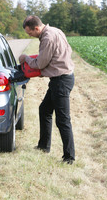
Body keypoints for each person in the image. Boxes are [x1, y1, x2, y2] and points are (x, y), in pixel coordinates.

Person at [19, 16, 75, 164]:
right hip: (61, 78)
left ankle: (69, 157)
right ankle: (43, 146)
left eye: (30, 33)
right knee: (44, 110)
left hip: (61, 80)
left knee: (63, 120)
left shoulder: (47, 38)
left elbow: (40, 64)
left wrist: (26, 58)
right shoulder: (56, 31)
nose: (30, 35)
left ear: (36, 28)